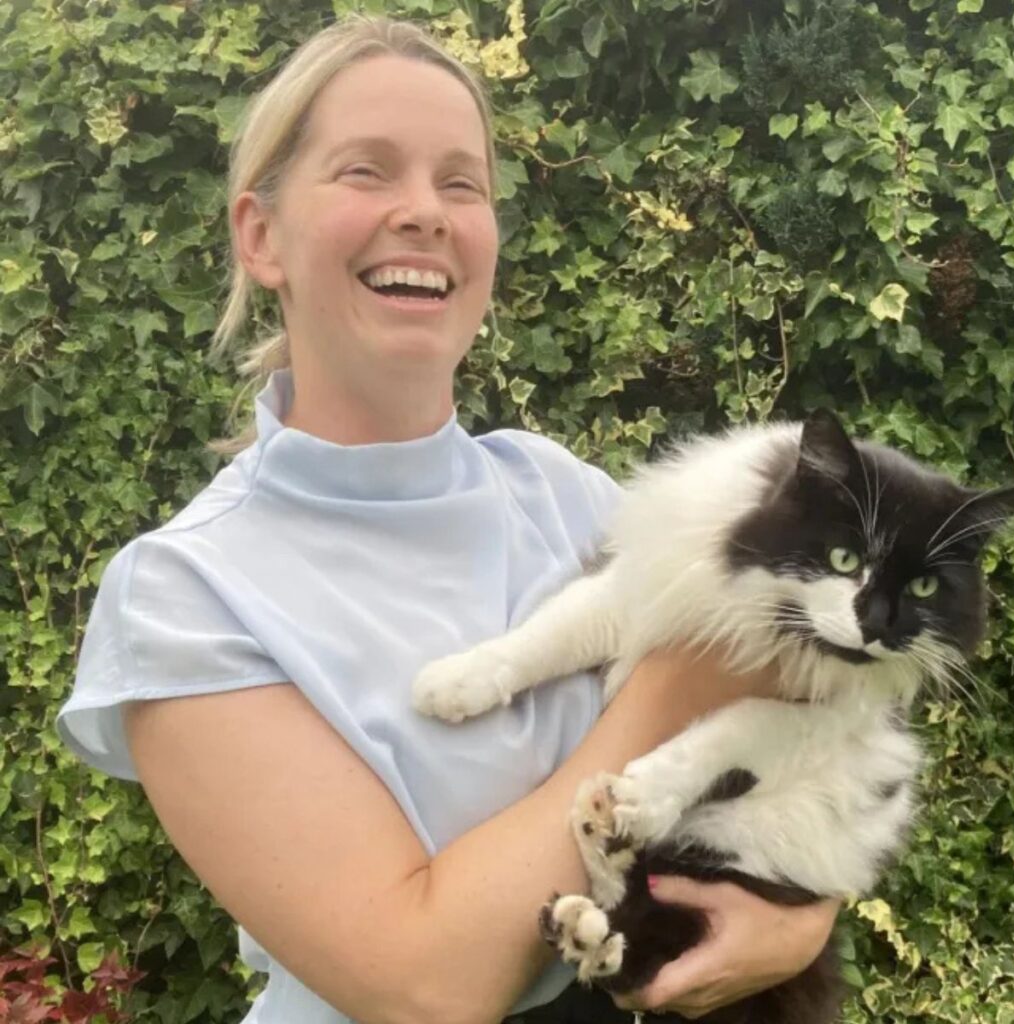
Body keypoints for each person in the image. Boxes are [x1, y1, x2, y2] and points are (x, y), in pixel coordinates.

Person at [56, 16, 838, 1024]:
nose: (423, 212)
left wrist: (804, 915)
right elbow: (423, 984)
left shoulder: (567, 492)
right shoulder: (184, 598)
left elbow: (806, 730)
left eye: (460, 184)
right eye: (366, 172)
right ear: (261, 236)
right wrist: (676, 682)